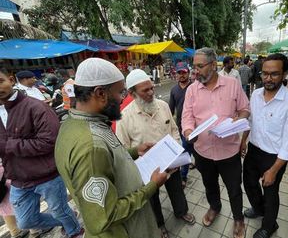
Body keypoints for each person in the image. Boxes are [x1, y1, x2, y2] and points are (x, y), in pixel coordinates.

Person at [55, 58, 168, 238]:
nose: (123, 98)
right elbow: (104, 217)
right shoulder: (90, 148)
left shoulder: (80, 122)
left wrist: (135, 151)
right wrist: (152, 186)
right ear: (100, 93)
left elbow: (108, 158)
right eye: (120, 92)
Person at [0, 68, 83, 238]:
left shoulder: (35, 106)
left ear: (10, 80)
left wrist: (9, 145)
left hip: (47, 176)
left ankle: (74, 231)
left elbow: (50, 141)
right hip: (17, 178)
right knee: (25, 221)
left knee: (60, 211)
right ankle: (68, 219)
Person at [116, 69, 195, 238]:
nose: (151, 92)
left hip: (170, 162)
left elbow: (174, 130)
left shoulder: (163, 106)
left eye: (152, 88)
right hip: (147, 170)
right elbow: (123, 149)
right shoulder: (124, 117)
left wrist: (176, 150)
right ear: (132, 93)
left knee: (176, 189)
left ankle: (181, 212)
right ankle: (159, 224)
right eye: (145, 90)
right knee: (152, 200)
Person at [182, 47, 250, 238]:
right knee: (209, 183)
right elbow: (187, 117)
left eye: (200, 66)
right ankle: (215, 207)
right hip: (202, 151)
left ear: (213, 65)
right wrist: (189, 132)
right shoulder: (192, 90)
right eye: (194, 66)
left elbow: (245, 109)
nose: (195, 71)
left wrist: (236, 122)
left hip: (229, 152)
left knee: (234, 188)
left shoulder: (232, 84)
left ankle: (238, 219)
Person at [240, 53, 288, 238]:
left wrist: (274, 170)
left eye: (274, 74)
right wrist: (243, 140)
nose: (268, 78)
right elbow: (251, 122)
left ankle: (269, 225)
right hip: (253, 149)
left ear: (284, 74)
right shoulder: (256, 94)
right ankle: (258, 210)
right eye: (265, 73)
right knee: (250, 184)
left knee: (271, 192)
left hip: (274, 157)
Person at [168, 62, 194, 188]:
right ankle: (183, 175)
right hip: (181, 126)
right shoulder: (174, 90)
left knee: (189, 149)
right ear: (176, 74)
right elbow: (170, 111)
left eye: (184, 72)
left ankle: (185, 171)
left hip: (195, 125)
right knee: (185, 150)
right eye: (179, 73)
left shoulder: (195, 87)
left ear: (188, 73)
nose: (182, 75)